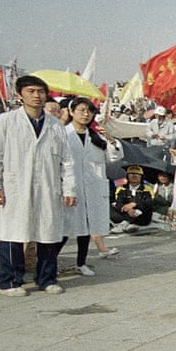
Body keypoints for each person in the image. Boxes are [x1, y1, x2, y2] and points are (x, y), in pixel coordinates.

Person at [0, 75, 77, 296]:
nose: (36, 95)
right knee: (14, 233)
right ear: (20, 94)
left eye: (40, 91)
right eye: (31, 91)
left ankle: (46, 278)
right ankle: (11, 282)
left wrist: (69, 189)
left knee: (49, 234)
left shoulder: (54, 125)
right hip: (16, 187)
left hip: (48, 187)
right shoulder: (5, 122)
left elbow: (67, 161)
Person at [61, 97, 123, 276]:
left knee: (86, 228)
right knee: (64, 229)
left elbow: (114, 157)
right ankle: (48, 263)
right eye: (81, 110)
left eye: (89, 111)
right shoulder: (63, 134)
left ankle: (81, 263)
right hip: (70, 189)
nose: (85, 114)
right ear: (72, 112)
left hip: (92, 189)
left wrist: (110, 139)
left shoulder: (96, 137)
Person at [111, 165, 155, 231]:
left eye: (137, 174)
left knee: (146, 208)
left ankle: (130, 224)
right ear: (127, 176)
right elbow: (119, 203)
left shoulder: (147, 189)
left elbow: (149, 202)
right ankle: (125, 223)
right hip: (125, 213)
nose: (134, 176)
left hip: (140, 215)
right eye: (131, 174)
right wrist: (128, 210)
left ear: (141, 177)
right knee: (111, 207)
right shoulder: (121, 188)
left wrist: (135, 204)